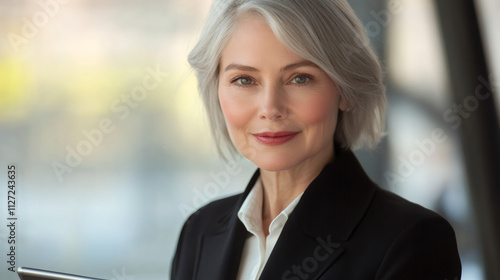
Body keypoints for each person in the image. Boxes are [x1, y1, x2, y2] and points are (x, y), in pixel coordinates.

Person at [171, 0, 462, 279]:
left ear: (345, 90)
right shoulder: (199, 231)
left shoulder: (412, 240)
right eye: (244, 80)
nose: (270, 109)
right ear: (216, 88)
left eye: (300, 78)